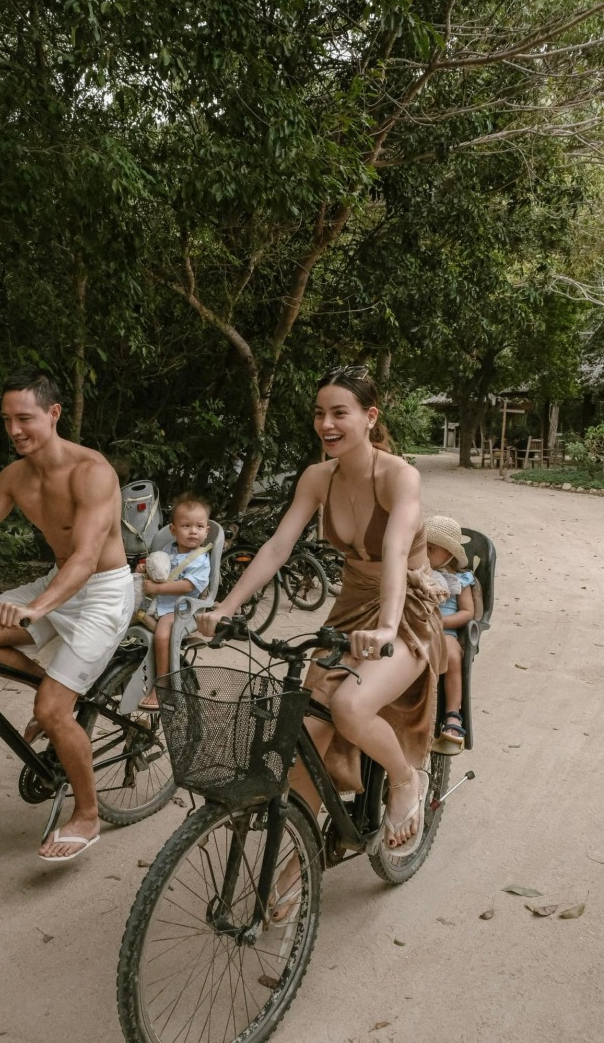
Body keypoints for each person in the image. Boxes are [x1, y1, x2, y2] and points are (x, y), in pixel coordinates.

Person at [198, 365, 446, 920]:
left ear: (370, 417)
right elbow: (276, 548)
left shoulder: (399, 476)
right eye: (319, 413)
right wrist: (225, 607)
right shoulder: (317, 477)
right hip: (350, 610)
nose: (327, 424)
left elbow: (395, 552)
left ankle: (405, 780)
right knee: (303, 740)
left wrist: (387, 627)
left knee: (350, 706)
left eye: (340, 413)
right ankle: (299, 861)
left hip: (405, 608)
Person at [0, 367, 134, 862]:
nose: (14, 430)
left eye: (25, 418)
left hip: (102, 591)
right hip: (56, 582)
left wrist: (35, 609)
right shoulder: (16, 477)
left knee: (51, 710)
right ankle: (57, 685)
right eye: (6, 420)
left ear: (53, 413)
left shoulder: (92, 471)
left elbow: (86, 557)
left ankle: (87, 814)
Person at [137, 493, 211, 710]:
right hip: (158, 602)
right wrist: (145, 569)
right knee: (125, 615)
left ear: (207, 531)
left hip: (181, 607)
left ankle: (162, 683)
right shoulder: (169, 550)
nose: (193, 531)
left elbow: (188, 586)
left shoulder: (200, 559)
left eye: (199, 526)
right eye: (186, 526)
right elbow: (159, 570)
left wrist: (157, 588)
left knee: (162, 634)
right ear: (173, 530)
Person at [426, 515, 475, 754]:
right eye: (422, 546)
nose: (424, 552)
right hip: (415, 626)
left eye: (431, 548)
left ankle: (453, 714)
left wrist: (440, 622)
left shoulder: (459, 580)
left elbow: (467, 612)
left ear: (448, 553)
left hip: (445, 630)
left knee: (453, 656)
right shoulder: (416, 572)